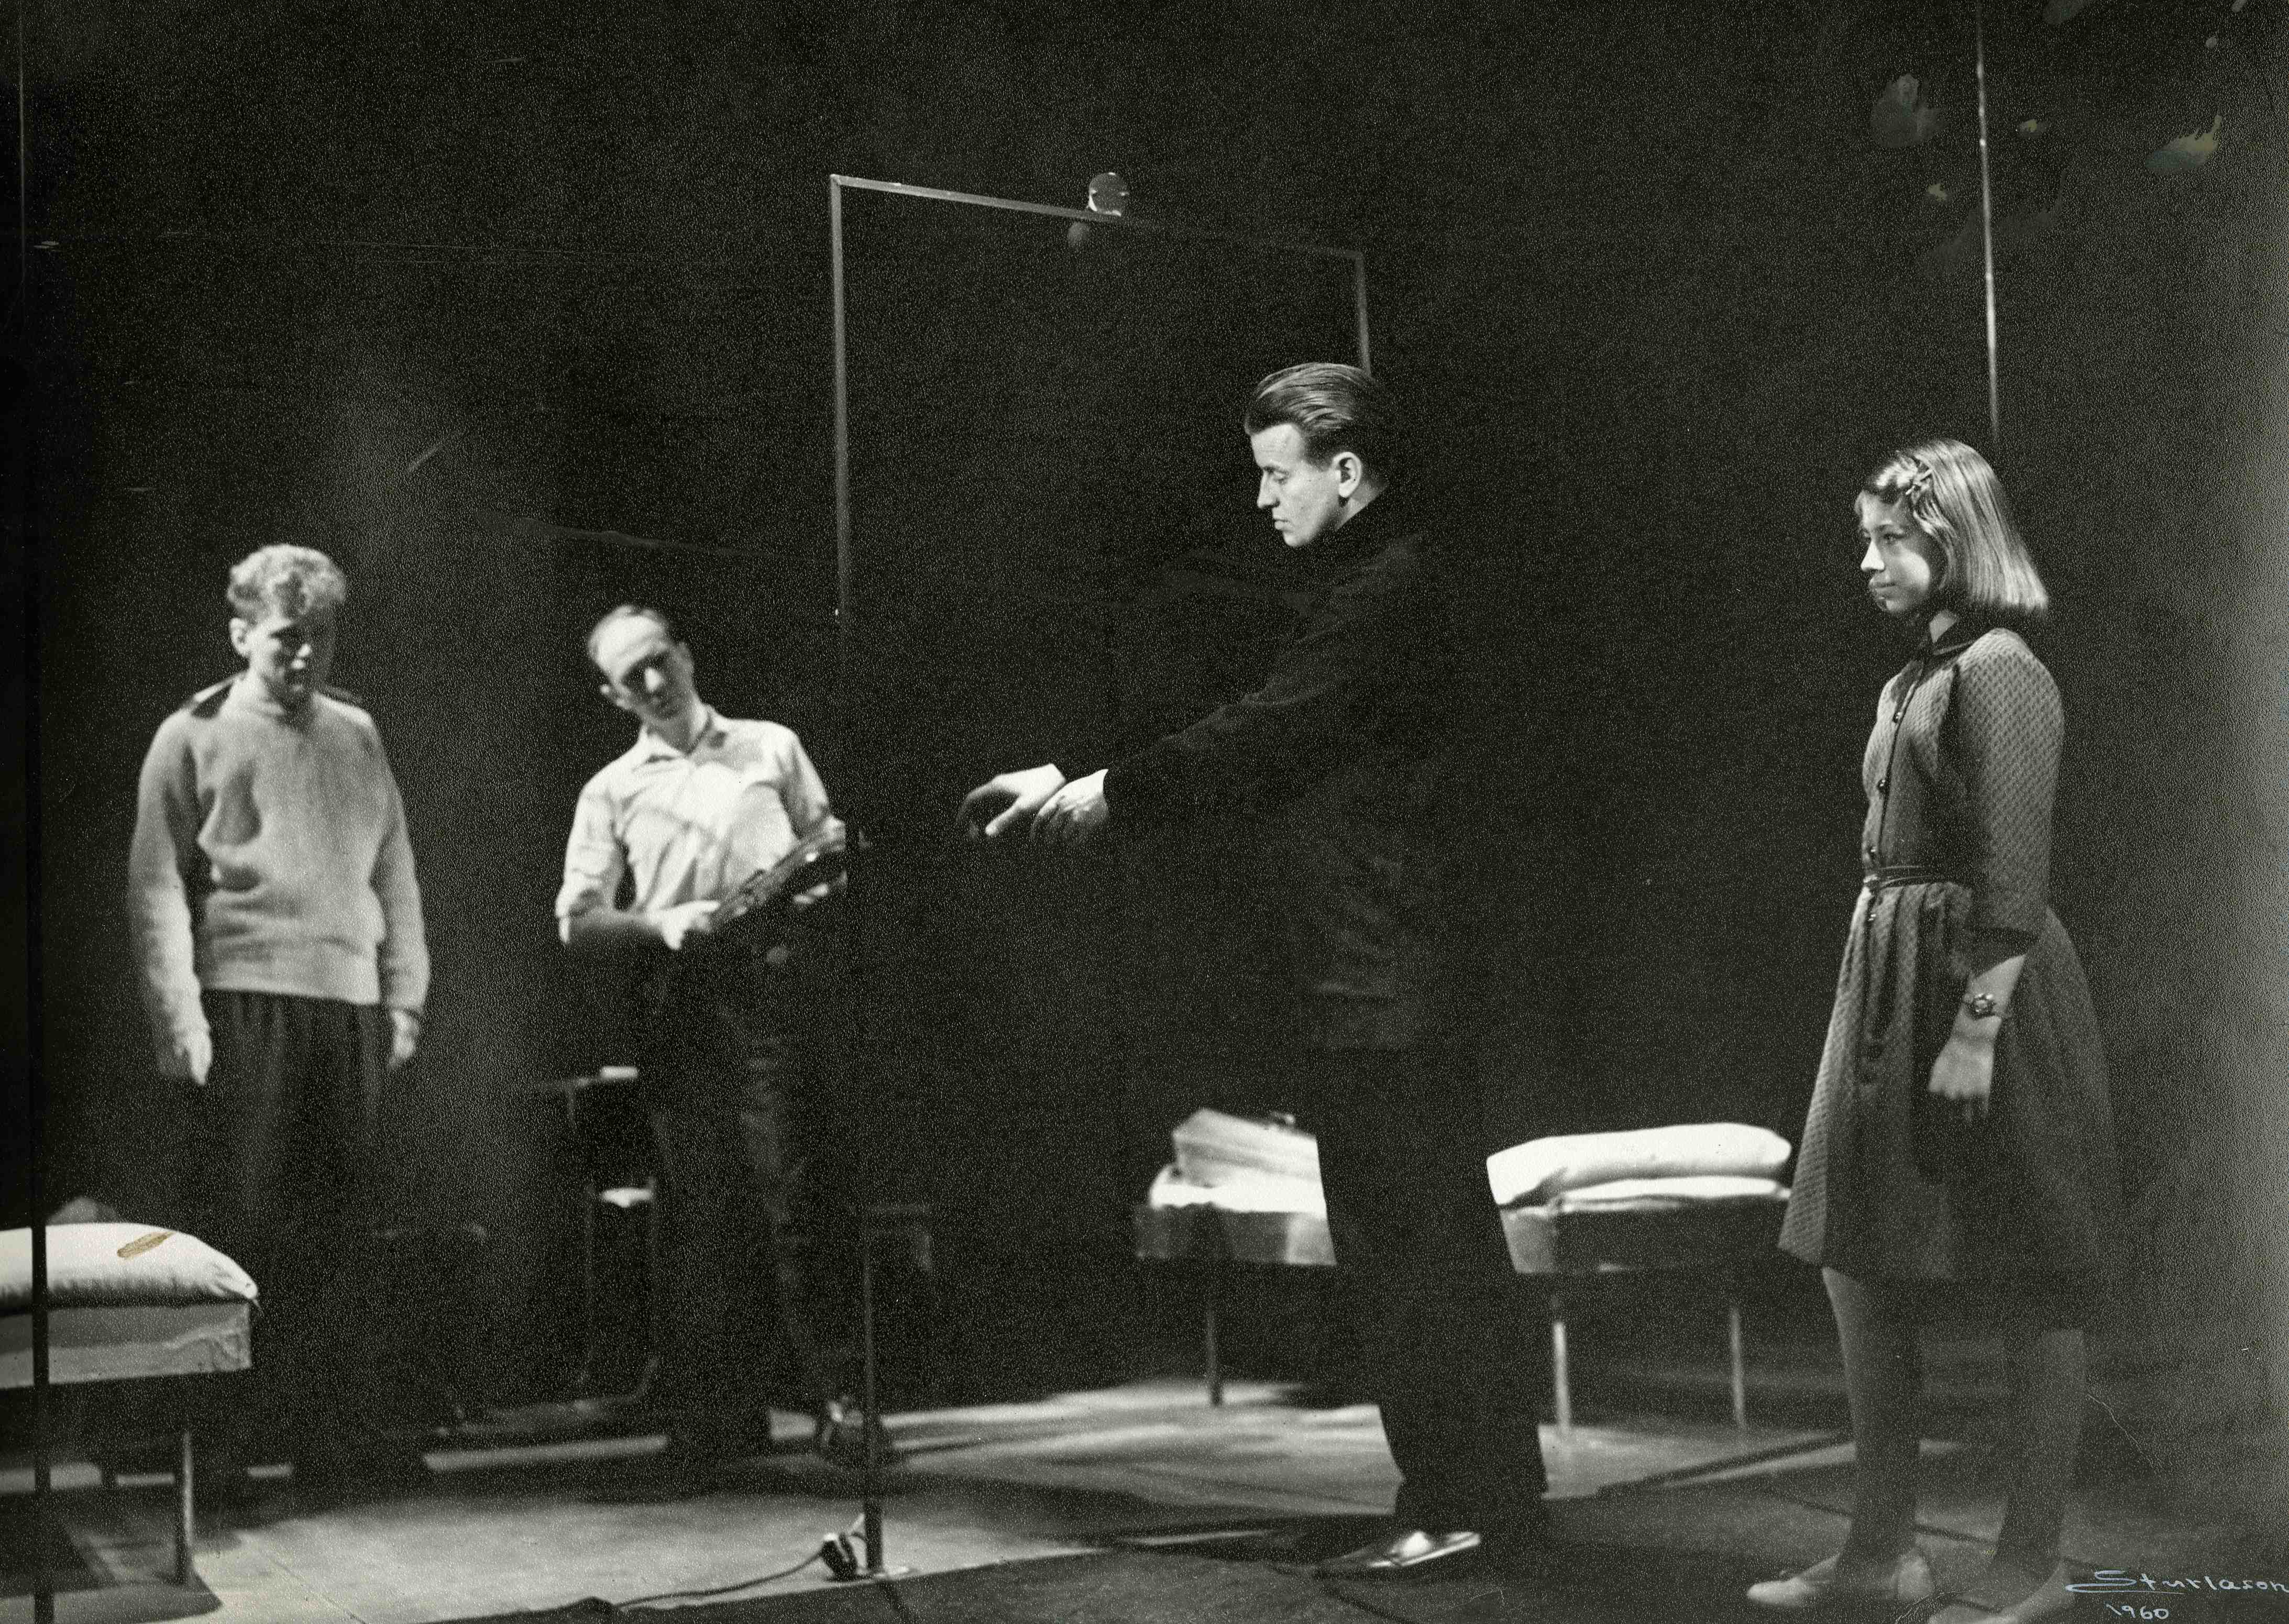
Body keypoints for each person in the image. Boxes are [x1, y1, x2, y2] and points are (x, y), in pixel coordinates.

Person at [959, 363, 1550, 1578]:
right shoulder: (1369, 587)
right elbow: (1248, 708)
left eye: (1278, 474)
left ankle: (1466, 1505)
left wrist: (1104, 795)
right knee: (1418, 1250)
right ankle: (1475, 1499)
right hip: (1373, 974)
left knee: (1414, 1255)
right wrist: (1078, 774)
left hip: (1386, 977)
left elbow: (1266, 727)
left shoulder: (1388, 589)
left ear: (1347, 470)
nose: (1263, 499)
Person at [1749, 441, 2120, 1623]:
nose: (1867, 562)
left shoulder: (2002, 672)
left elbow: (2013, 878)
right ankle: (1879, 1550)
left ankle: (2031, 1561)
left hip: (1979, 985)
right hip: (1889, 975)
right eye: (1863, 539)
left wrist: (1973, 1031)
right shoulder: (1916, 673)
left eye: (1890, 539)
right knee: (1854, 1254)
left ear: (1955, 541)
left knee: (2030, 1267)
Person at [127, 543, 432, 1510]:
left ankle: (331, 1445)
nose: (306, 656)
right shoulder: (192, 732)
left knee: (339, 1234)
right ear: (242, 634)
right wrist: (179, 1016)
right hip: (244, 1002)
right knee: (239, 1231)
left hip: (347, 1008)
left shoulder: (358, 732)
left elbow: (396, 871)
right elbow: (154, 885)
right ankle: (218, 1457)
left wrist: (404, 998)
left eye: (321, 638)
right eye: (287, 638)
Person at [556, 604, 869, 1497]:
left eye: (660, 660)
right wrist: (662, 924)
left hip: (774, 987)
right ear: (613, 696)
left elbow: (830, 843)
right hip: (682, 999)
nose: (655, 683)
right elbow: (577, 919)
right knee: (698, 1213)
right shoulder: (611, 788)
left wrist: (818, 887)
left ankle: (842, 1400)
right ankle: (714, 1415)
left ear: (686, 655)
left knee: (796, 1193)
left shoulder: (771, 746)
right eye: (632, 677)